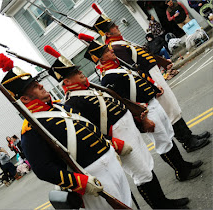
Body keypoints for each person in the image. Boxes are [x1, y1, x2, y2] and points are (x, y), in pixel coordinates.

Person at [44, 47, 190, 209]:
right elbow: (89, 129)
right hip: (119, 138)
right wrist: (113, 143)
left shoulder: (89, 90)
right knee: (141, 174)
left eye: (77, 70)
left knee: (146, 168)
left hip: (128, 130)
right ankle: (161, 206)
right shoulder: (72, 102)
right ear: (67, 82)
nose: (80, 73)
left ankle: (164, 202)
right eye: (74, 73)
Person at [0, 53, 133, 209]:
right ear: (24, 99)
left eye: (37, 82)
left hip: (112, 163)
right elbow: (43, 169)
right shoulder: (30, 130)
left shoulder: (60, 106)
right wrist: (80, 182)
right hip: (92, 178)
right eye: (33, 86)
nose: (40, 85)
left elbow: (88, 128)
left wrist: (114, 144)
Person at [79, 37, 204, 184]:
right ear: (100, 59)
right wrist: (142, 119)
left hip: (153, 102)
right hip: (145, 111)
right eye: (106, 51)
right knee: (163, 143)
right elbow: (123, 102)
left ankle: (183, 164)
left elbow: (139, 80)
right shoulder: (107, 78)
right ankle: (181, 171)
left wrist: (152, 90)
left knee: (168, 136)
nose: (111, 50)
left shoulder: (118, 66)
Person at [88, 7, 210, 153]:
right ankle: (188, 141)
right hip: (150, 79)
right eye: (113, 27)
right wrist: (152, 85)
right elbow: (134, 70)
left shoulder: (121, 42)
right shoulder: (116, 47)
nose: (117, 27)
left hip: (154, 74)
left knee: (172, 107)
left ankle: (189, 136)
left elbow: (143, 55)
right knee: (169, 111)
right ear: (107, 33)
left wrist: (162, 62)